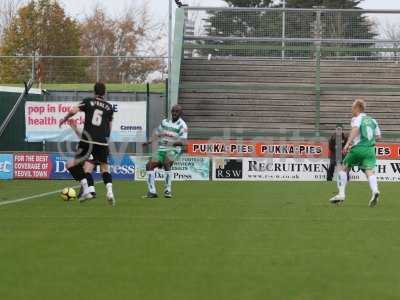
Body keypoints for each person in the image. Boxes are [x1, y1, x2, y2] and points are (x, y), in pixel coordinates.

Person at [59, 82, 115, 206]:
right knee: (104, 168)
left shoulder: (88, 101)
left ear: (94, 92)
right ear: (104, 93)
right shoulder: (109, 107)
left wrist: (65, 118)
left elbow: (73, 110)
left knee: (71, 164)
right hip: (102, 142)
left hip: (87, 140)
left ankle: (86, 189)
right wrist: (105, 139)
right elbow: (110, 127)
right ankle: (110, 192)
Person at [329, 99, 381, 207]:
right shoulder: (373, 120)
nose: (351, 109)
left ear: (357, 108)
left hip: (358, 148)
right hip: (370, 149)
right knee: (369, 171)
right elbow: (378, 137)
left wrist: (347, 143)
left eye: (352, 107)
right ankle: (375, 191)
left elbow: (355, 130)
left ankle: (341, 194)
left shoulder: (357, 118)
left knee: (343, 168)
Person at [143, 105, 188, 198]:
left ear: (180, 113)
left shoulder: (183, 125)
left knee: (166, 161)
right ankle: (152, 192)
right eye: (173, 111)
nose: (175, 113)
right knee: (149, 165)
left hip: (174, 149)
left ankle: (168, 190)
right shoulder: (165, 122)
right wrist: (149, 141)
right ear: (171, 111)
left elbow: (183, 142)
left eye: (177, 112)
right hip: (162, 149)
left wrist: (171, 143)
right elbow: (158, 134)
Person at [69, 122, 96, 198]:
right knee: (83, 173)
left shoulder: (93, 136)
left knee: (87, 171)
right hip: (83, 156)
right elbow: (81, 136)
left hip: (90, 156)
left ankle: (91, 191)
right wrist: (74, 128)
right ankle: (85, 188)